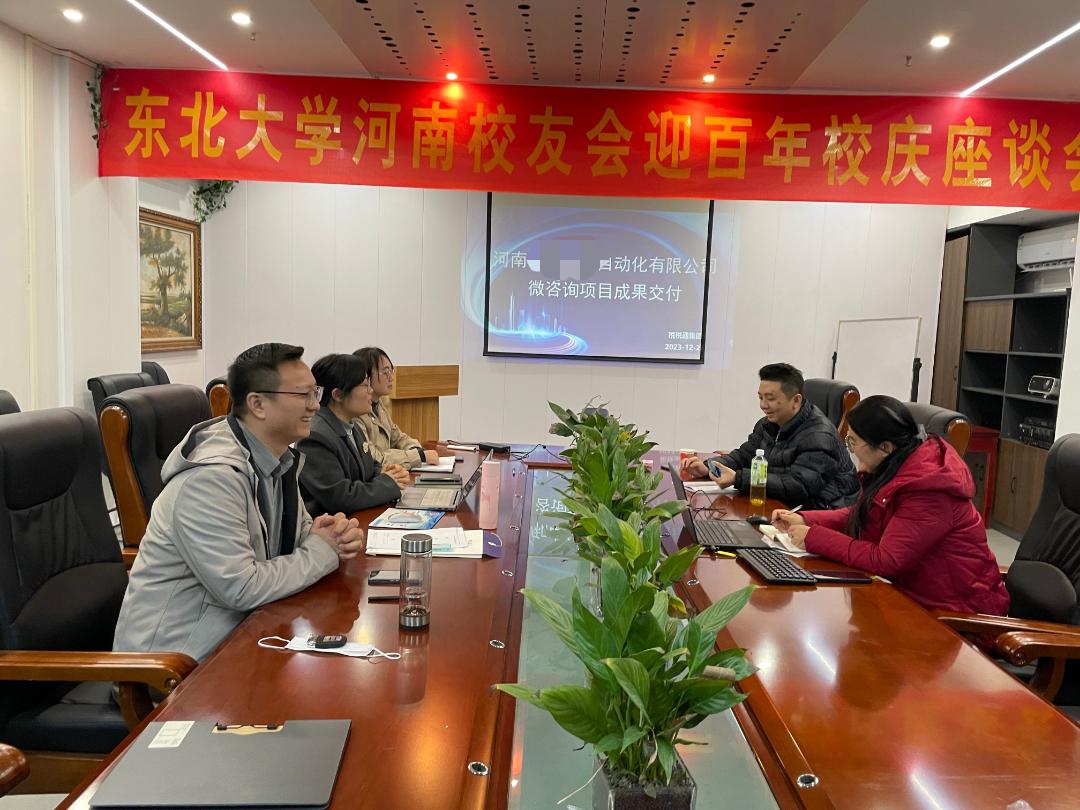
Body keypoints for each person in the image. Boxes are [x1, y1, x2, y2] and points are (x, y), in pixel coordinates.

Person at [113, 343, 364, 662]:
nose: (315, 405)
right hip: (177, 665)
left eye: (315, 393)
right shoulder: (211, 480)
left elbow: (298, 538)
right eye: (303, 395)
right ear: (258, 404)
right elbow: (242, 587)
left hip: (246, 636)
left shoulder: (277, 458)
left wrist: (332, 535)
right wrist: (323, 549)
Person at [771, 395, 1009, 616]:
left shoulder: (929, 490)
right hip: (909, 596)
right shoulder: (897, 467)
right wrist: (806, 519)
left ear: (885, 447)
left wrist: (813, 537)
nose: (850, 450)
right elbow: (864, 515)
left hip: (954, 615)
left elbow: (886, 560)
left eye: (853, 442)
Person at [681, 363, 858, 510]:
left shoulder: (819, 436)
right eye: (760, 397)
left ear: (796, 400)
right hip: (782, 504)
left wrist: (738, 478)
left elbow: (799, 486)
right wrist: (708, 467)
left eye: (770, 398)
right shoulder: (768, 424)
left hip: (820, 513)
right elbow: (744, 456)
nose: (763, 405)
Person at [298, 353, 411, 515]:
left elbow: (367, 468)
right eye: (365, 385)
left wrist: (385, 471)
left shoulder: (351, 425)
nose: (371, 391)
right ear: (338, 395)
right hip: (333, 524)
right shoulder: (315, 436)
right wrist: (388, 482)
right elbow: (340, 497)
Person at [353, 346, 439, 469]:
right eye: (385, 372)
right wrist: (418, 456)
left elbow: (398, 437)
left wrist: (417, 449)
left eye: (391, 371)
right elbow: (374, 458)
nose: (391, 377)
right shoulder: (355, 413)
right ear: (366, 376)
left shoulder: (379, 404)